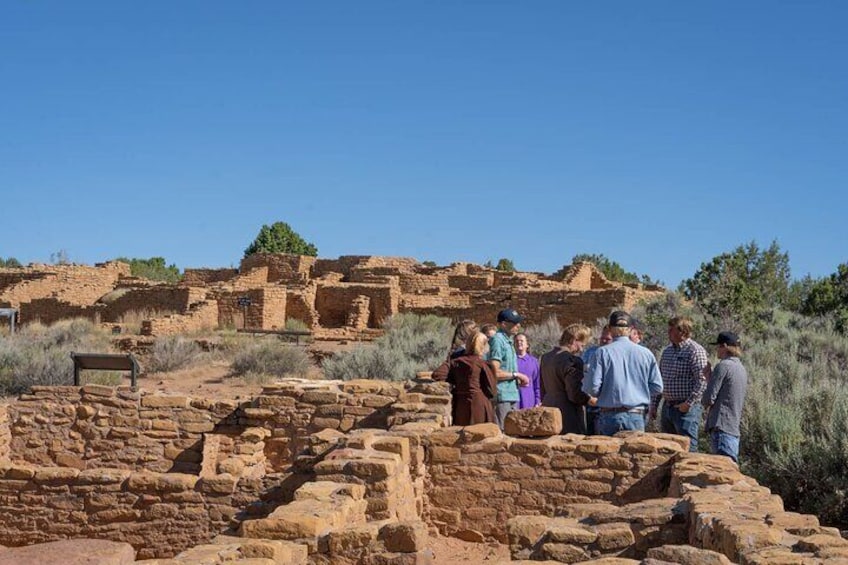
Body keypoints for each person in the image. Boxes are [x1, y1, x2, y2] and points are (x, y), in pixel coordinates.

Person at [584, 311, 663, 435]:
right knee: (635, 453)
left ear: (610, 329)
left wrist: (606, 393)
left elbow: (592, 388)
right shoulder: (646, 353)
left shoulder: (601, 353)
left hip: (609, 415)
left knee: (608, 454)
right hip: (636, 415)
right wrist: (638, 391)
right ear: (631, 329)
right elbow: (657, 387)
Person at [653, 316, 710, 452]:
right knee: (667, 448)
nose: (668, 332)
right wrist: (654, 405)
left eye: (671, 330)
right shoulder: (667, 352)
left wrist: (688, 403)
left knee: (688, 448)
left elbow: (702, 381)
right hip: (667, 407)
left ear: (683, 332)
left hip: (686, 410)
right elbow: (660, 379)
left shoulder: (695, 351)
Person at [431, 331, 498, 425]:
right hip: (479, 404)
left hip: (461, 403)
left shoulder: (456, 362)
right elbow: (492, 390)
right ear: (483, 346)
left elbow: (437, 374)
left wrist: (454, 382)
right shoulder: (482, 364)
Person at [540, 324, 596, 434]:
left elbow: (542, 388)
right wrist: (589, 399)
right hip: (568, 414)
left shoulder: (546, 357)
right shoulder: (572, 360)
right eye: (582, 345)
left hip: (548, 408)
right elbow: (574, 394)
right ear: (574, 340)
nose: (581, 349)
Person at [702, 331, 748, 463]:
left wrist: (708, 382)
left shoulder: (723, 366)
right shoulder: (740, 368)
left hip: (721, 428)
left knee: (721, 473)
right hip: (732, 429)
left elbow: (708, 398)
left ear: (725, 346)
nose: (717, 350)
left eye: (718, 346)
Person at [487, 308, 530, 429]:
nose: (518, 326)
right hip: (502, 396)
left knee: (512, 432)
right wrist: (516, 375)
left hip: (512, 395)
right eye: (514, 323)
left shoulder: (509, 341)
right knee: (502, 432)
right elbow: (494, 372)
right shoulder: (497, 341)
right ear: (504, 324)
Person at [581, 325, 612, 435]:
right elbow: (582, 373)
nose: (603, 340)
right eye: (602, 338)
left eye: (607, 339)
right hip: (590, 404)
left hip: (608, 407)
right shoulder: (590, 352)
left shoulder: (616, 354)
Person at [515, 333, 541, 409]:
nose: (519, 343)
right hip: (515, 400)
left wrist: (537, 400)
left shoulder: (533, 361)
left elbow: (537, 383)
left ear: (527, 344)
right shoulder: (511, 360)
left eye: (521, 341)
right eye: (516, 341)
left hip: (529, 400)